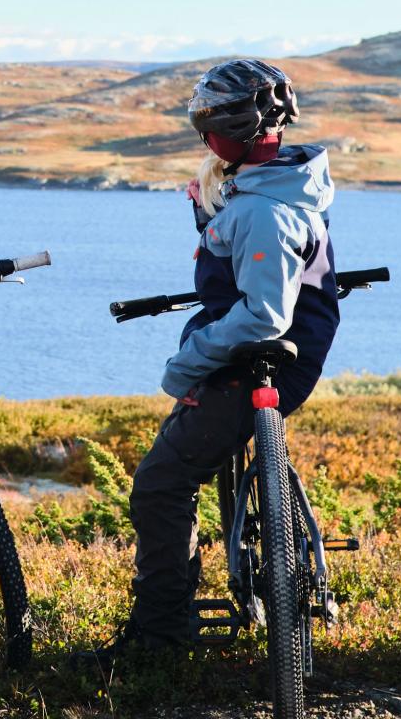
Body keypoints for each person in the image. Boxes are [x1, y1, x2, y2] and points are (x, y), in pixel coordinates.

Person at [106, 58, 342, 657]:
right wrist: (213, 215)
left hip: (259, 361)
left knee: (160, 484)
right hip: (274, 357)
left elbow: (263, 314)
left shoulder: (262, 209)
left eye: (204, 127)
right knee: (192, 462)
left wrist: (184, 366)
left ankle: (161, 636)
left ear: (228, 134)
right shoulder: (274, 186)